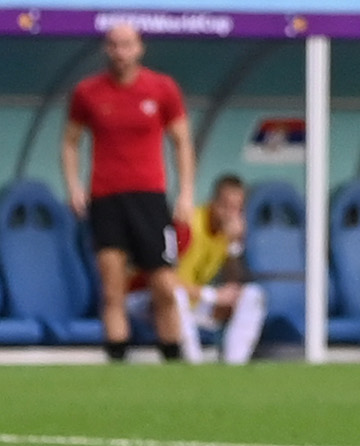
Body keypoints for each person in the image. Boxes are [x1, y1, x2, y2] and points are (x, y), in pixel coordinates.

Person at [60, 24, 196, 362]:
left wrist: (186, 193)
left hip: (150, 198)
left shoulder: (162, 88)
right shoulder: (88, 92)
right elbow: (70, 142)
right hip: (107, 198)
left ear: (140, 48)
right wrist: (74, 186)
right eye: (114, 45)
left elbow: (181, 142)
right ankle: (117, 360)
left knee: (164, 285)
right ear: (106, 49)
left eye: (127, 45)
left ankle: (171, 355)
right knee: (112, 288)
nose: (121, 53)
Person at [170, 173, 268, 365]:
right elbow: (165, 281)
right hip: (156, 302)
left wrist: (234, 246)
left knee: (253, 295)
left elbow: (234, 282)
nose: (230, 213)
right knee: (176, 297)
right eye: (225, 206)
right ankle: (193, 367)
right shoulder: (188, 224)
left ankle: (234, 366)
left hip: (194, 303)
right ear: (213, 202)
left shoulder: (227, 234)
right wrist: (211, 295)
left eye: (236, 208)